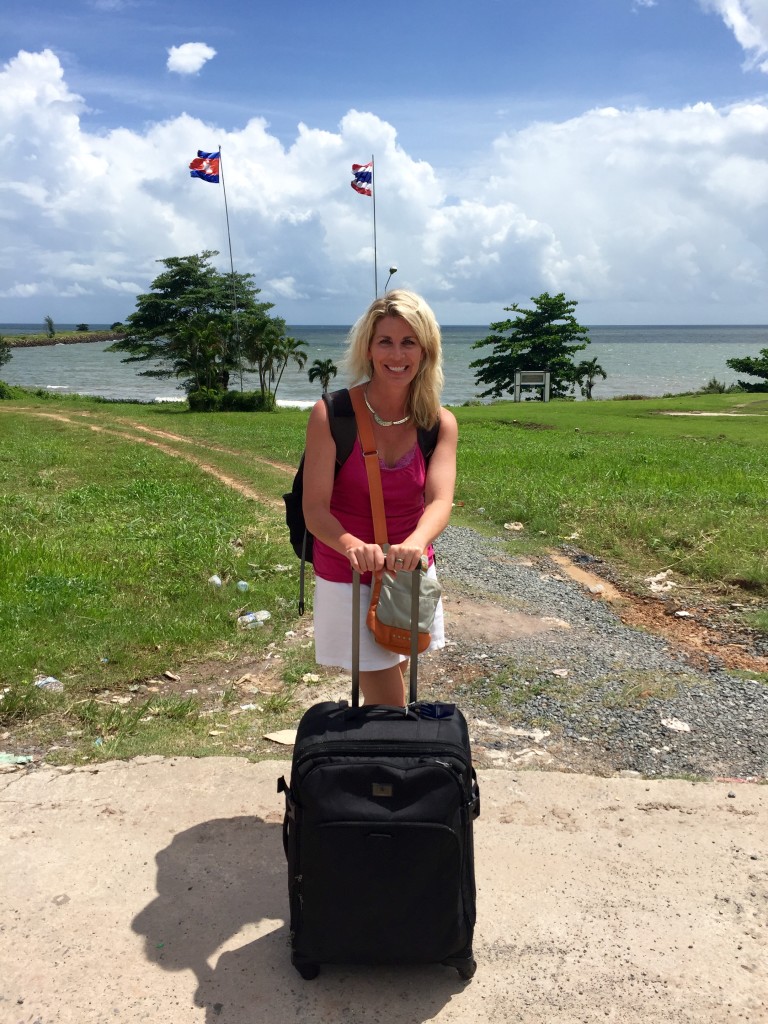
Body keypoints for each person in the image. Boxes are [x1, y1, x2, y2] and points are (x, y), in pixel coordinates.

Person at [302, 290, 458, 707]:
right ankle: (394, 764)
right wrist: (352, 545)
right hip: (346, 572)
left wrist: (417, 542)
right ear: (368, 348)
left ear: (426, 350)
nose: (397, 354)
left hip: (407, 574)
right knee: (392, 704)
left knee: (388, 683)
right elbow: (315, 509)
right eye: (385, 341)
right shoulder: (332, 414)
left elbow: (440, 500)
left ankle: (378, 770)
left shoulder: (438, 422)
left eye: (409, 342)